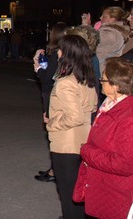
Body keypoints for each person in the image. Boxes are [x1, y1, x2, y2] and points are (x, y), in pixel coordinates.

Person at [45, 34, 98, 219]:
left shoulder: (66, 83)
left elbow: (73, 117)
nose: (57, 52)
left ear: (66, 54)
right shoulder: (87, 79)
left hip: (66, 144)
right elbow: (91, 108)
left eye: (60, 49)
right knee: (78, 193)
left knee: (68, 194)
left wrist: (52, 122)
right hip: (83, 140)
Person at [74, 57, 133, 218]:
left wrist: (87, 152)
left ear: (116, 86)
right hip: (103, 184)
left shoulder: (128, 118)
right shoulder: (110, 104)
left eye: (104, 79)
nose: (101, 81)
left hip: (115, 191)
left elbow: (124, 164)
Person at [32, 22, 67, 183]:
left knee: (53, 130)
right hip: (55, 92)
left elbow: (47, 77)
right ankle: (54, 168)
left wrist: (37, 66)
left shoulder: (58, 54)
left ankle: (55, 171)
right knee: (54, 131)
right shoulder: (64, 52)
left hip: (52, 93)